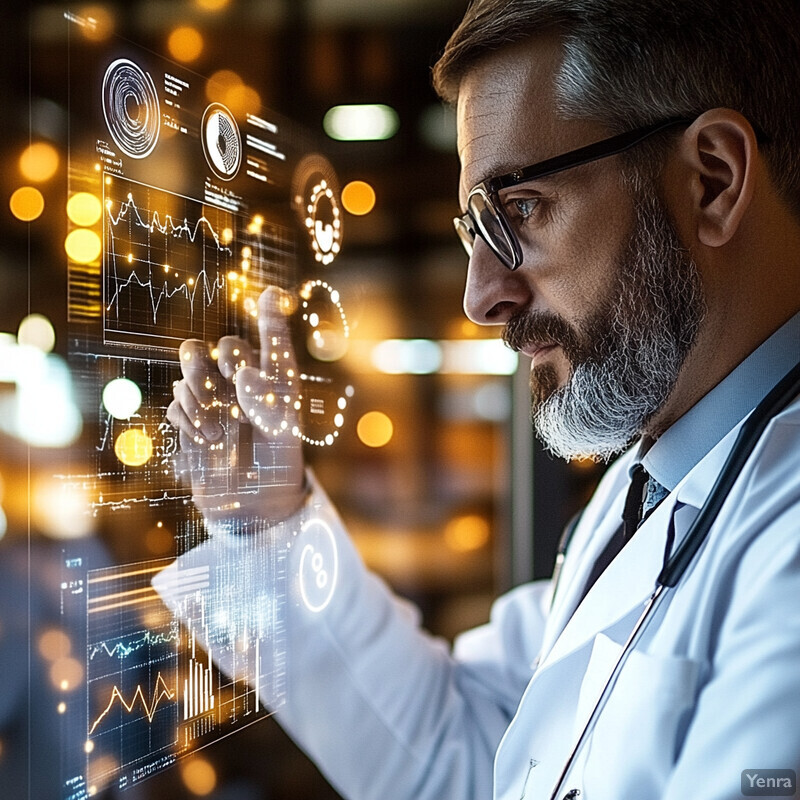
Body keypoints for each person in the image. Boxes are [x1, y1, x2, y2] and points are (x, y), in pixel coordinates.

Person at [157, 1, 800, 798]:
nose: (480, 297)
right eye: (474, 231)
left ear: (713, 179)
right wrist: (268, 520)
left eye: (521, 209)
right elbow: (464, 753)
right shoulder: (650, 485)